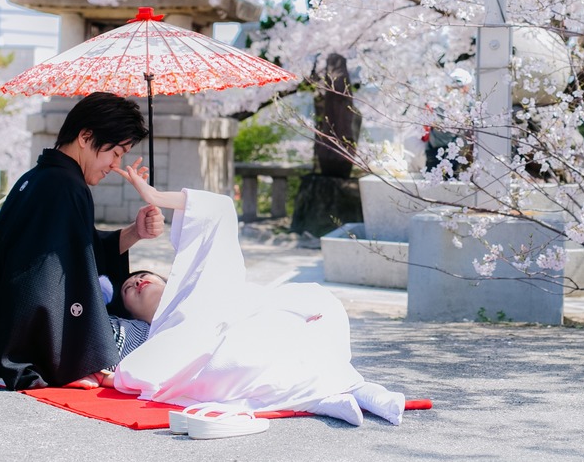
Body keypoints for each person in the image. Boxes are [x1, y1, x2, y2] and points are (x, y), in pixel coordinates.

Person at [90, 163, 406, 432]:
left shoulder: (197, 283)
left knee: (315, 311)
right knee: (232, 363)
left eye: (143, 275)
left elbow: (220, 211)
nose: (138, 281)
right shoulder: (157, 339)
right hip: (228, 354)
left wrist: (154, 196)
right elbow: (134, 369)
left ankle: (354, 390)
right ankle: (325, 398)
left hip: (265, 320)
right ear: (133, 316)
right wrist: (108, 377)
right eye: (128, 288)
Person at [0, 92, 164, 390]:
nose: (115, 164)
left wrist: (136, 231)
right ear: (85, 137)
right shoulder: (66, 186)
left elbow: (81, 251)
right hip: (8, 348)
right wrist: (67, 364)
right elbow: (43, 280)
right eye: (115, 152)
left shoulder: (41, 176)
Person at [423, 67, 472, 174]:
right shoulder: (466, 107)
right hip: (451, 151)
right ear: (466, 88)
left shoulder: (437, 103)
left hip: (437, 150)